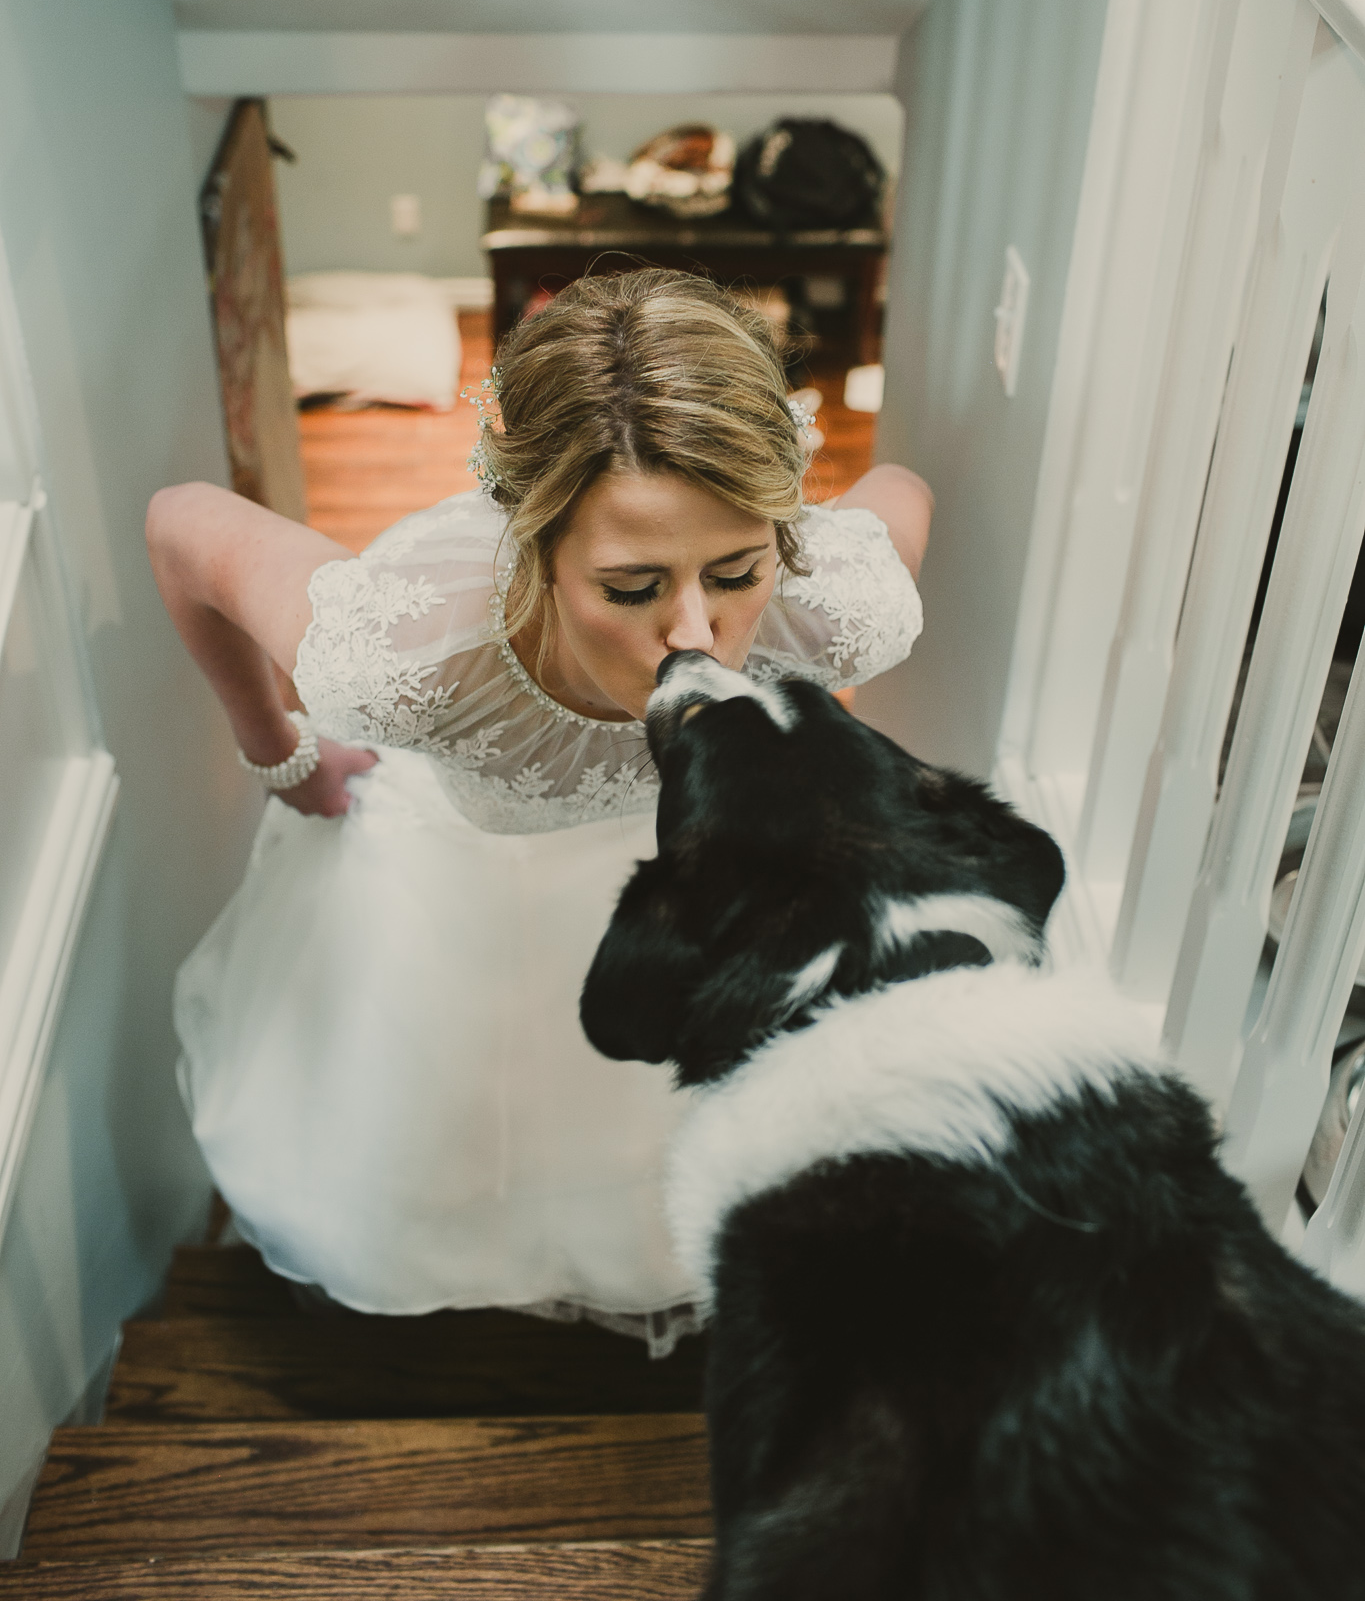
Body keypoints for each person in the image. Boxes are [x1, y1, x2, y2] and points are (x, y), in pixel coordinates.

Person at [147, 269, 933, 1350]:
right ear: (533, 548)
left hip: (682, 909)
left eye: (737, 569)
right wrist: (281, 750)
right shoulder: (399, 656)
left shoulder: (836, 606)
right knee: (450, 1155)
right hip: (466, 916)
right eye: (631, 585)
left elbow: (904, 493)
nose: (698, 637)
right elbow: (181, 526)